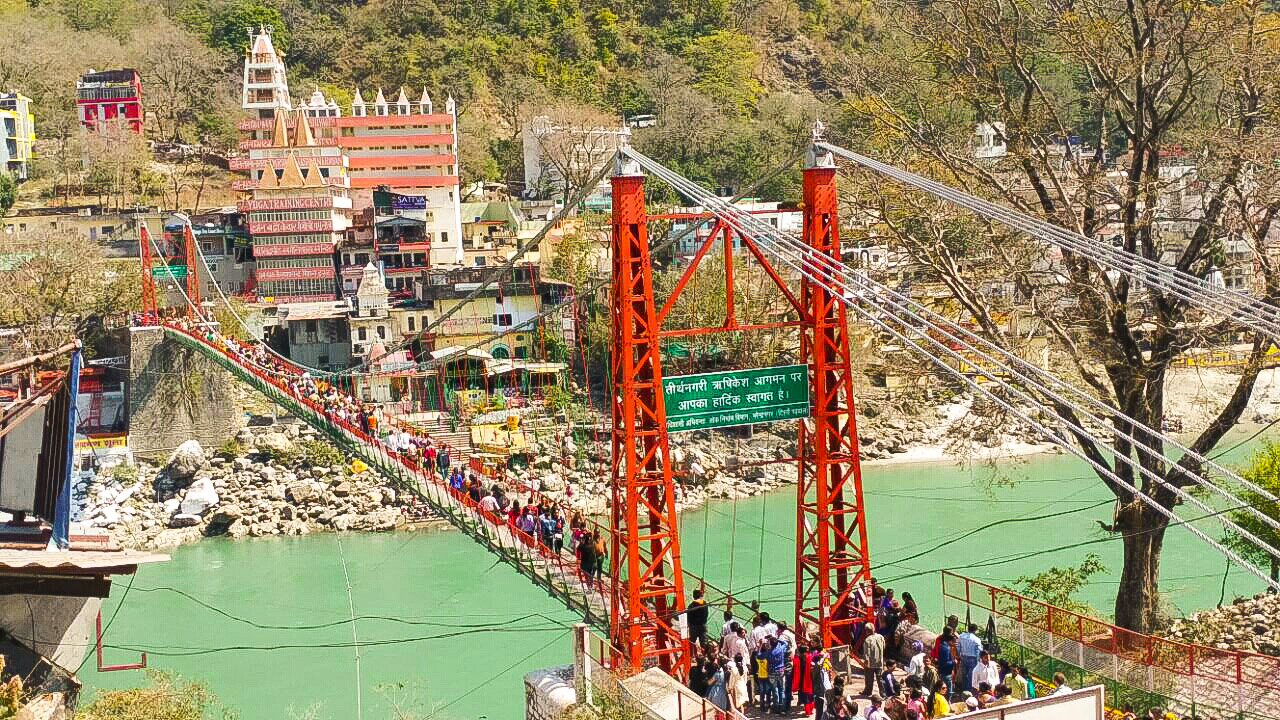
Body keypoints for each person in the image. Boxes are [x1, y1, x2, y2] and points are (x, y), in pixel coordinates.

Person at [861, 622, 886, 697]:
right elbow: (884, 647)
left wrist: (866, 664)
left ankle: (868, 691)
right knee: (880, 679)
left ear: (867, 631)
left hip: (871, 663)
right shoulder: (880, 637)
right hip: (879, 661)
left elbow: (866, 654)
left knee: (869, 679)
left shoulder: (867, 640)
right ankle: (883, 694)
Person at [956, 624, 984, 693]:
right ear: (975, 630)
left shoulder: (961, 636)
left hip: (963, 657)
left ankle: (964, 689)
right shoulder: (976, 639)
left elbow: (958, 646)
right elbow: (978, 650)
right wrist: (978, 660)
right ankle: (969, 690)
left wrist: (959, 655)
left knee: (964, 675)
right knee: (971, 675)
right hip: (972, 658)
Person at [935, 626, 957, 696]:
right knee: (948, 691)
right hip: (946, 673)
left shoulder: (941, 644)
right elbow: (946, 662)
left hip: (941, 670)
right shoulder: (946, 648)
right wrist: (954, 662)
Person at [812, 649, 832, 720]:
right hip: (820, 692)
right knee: (820, 710)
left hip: (820, 692)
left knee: (820, 710)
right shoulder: (818, 667)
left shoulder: (819, 667)